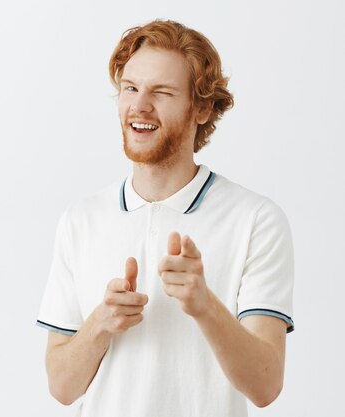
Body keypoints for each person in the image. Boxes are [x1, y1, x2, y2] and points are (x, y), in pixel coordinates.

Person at [35, 19, 294, 417]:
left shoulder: (256, 219)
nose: (139, 105)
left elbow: (266, 385)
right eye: (130, 88)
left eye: (162, 92)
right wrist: (100, 324)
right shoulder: (81, 219)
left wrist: (203, 304)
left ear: (203, 108)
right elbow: (62, 387)